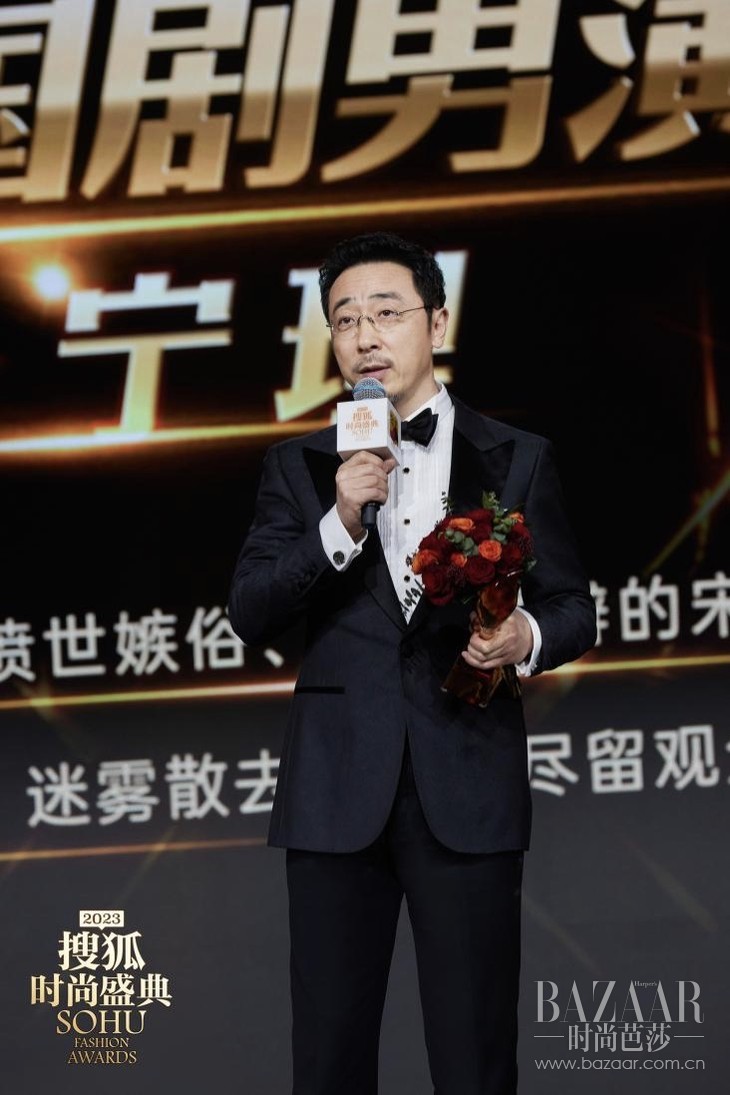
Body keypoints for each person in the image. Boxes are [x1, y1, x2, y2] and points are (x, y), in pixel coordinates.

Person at [228, 231, 596, 1095]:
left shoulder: (517, 456)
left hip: (465, 783)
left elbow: (573, 608)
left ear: (436, 321)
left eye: (386, 312)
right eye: (345, 318)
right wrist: (339, 521)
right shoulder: (298, 467)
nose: (365, 335)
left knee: (474, 1062)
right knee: (328, 1062)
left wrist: (522, 637)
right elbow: (251, 610)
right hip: (334, 795)